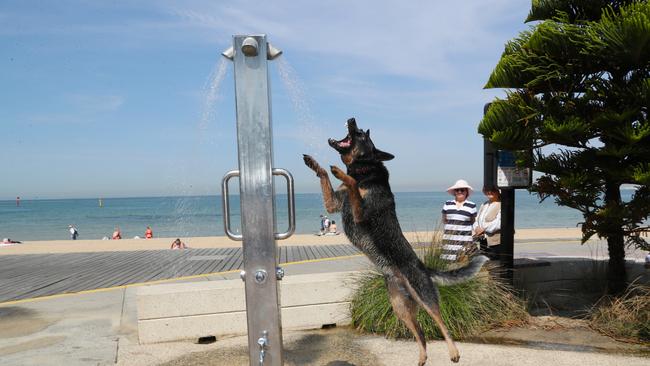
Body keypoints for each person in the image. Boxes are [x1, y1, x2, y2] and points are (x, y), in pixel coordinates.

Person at [441, 179, 477, 262]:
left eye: (462, 190)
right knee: (447, 264)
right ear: (454, 192)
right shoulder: (447, 203)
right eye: (457, 190)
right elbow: (444, 220)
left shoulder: (471, 205)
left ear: (466, 192)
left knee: (463, 266)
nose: (459, 192)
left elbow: (473, 222)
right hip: (449, 240)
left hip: (464, 241)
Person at [473, 186, 502, 260]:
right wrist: (476, 228)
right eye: (487, 190)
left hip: (496, 242)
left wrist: (482, 229)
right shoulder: (484, 204)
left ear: (498, 191)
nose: (489, 192)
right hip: (483, 241)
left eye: (492, 190)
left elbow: (498, 224)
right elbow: (477, 219)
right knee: (484, 264)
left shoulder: (502, 204)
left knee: (495, 264)